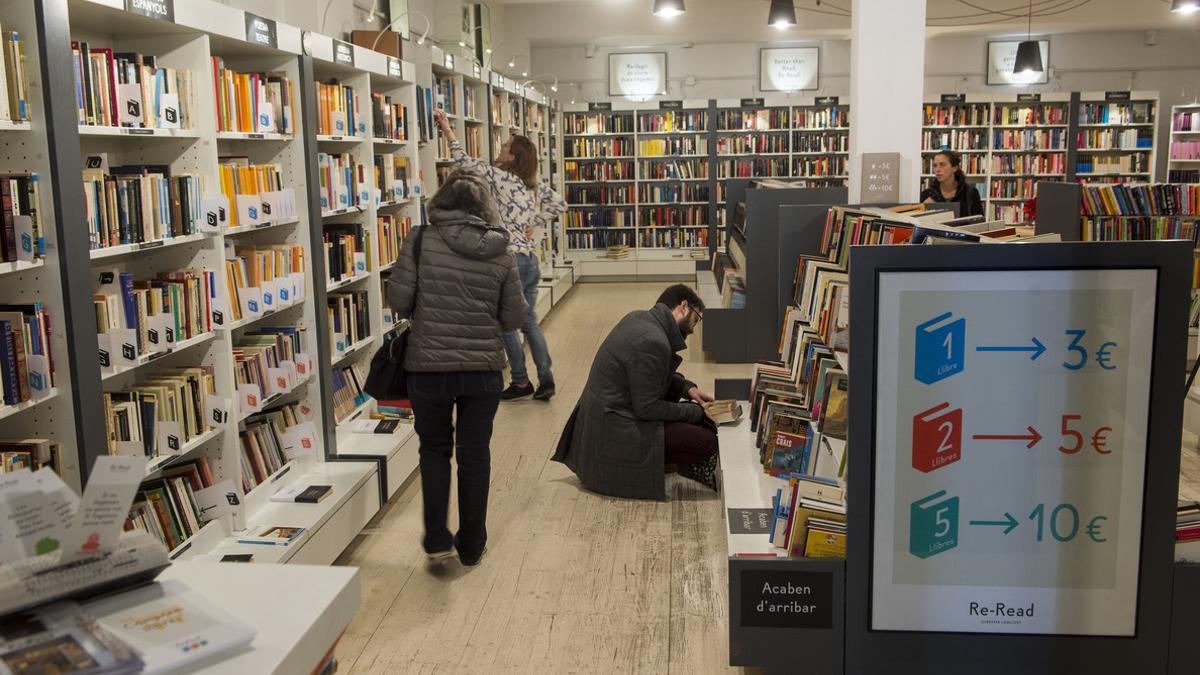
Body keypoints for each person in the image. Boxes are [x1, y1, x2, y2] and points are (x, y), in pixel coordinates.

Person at [386, 168, 527, 566]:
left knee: (433, 449)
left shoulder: (419, 241)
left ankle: (435, 536)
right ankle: (471, 543)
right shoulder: (501, 250)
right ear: (484, 208)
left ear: (441, 202)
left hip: (428, 368)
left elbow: (399, 300)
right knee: (474, 453)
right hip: (482, 369)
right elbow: (515, 317)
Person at [435, 109, 567, 402]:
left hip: (510, 261)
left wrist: (447, 127)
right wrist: (534, 221)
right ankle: (545, 379)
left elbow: (464, 161)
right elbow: (561, 204)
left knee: (505, 322)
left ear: (512, 157)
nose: (500, 148)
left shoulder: (501, 178)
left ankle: (521, 381)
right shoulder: (532, 184)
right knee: (529, 321)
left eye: (505, 147)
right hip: (531, 260)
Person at [551, 285, 719, 501]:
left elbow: (648, 376)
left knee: (694, 422)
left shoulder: (640, 319)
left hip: (603, 419)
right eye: (696, 318)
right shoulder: (654, 341)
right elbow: (647, 408)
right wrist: (697, 413)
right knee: (706, 441)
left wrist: (688, 389)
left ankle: (659, 460)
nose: (694, 328)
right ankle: (648, 466)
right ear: (683, 307)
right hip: (615, 429)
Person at [921, 149, 984, 217]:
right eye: (935, 165)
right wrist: (923, 210)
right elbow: (919, 224)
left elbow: (979, 222)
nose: (937, 169)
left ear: (954, 167)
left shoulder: (971, 193)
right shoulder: (926, 194)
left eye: (942, 165)